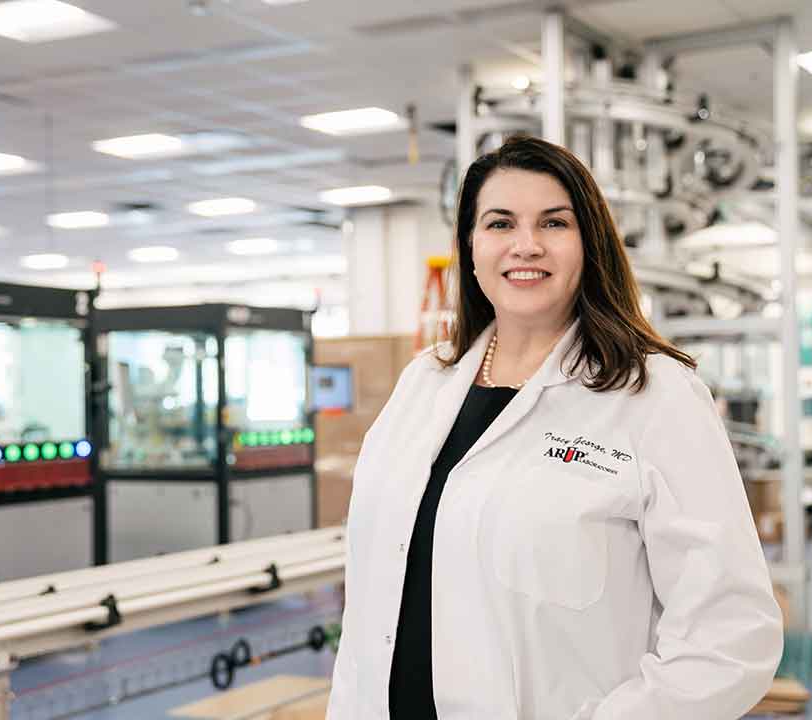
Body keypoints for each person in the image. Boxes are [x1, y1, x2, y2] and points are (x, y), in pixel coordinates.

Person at [327, 136, 782, 719]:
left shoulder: (654, 394)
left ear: (588, 244)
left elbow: (732, 632)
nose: (526, 245)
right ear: (471, 247)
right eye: (499, 224)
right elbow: (368, 602)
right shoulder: (423, 383)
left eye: (553, 223)